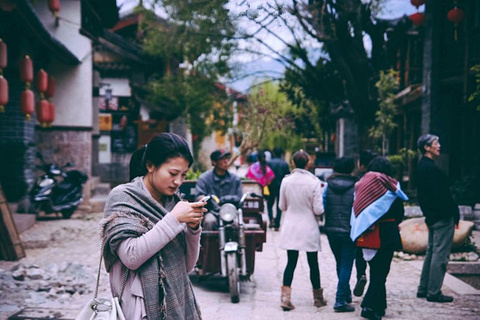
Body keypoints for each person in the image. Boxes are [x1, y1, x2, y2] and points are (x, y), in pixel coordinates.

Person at [100, 133, 204, 320]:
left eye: (183, 175)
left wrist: (193, 229)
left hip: (177, 302)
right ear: (150, 166)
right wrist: (173, 219)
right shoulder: (123, 198)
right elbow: (131, 256)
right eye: (173, 174)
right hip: (141, 308)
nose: (178, 182)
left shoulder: (174, 202)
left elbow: (186, 266)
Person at [350, 157, 408, 320]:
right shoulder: (391, 188)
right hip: (386, 233)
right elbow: (399, 214)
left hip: (367, 234)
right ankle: (368, 307)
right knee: (381, 272)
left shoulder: (361, 187)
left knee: (376, 269)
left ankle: (380, 305)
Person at [277, 150, 326, 311]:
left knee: (291, 262)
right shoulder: (314, 182)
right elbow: (318, 210)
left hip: (291, 226)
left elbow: (282, 206)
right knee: (313, 263)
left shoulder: (286, 181)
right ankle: (318, 298)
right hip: (309, 227)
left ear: (293, 163)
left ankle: (285, 298)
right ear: (307, 164)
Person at [416, 134, 459, 303]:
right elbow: (440, 195)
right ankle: (433, 291)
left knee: (431, 253)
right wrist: (450, 213)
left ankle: (424, 288)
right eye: (436, 143)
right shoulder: (431, 168)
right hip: (441, 216)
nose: (439, 146)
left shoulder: (421, 166)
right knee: (440, 255)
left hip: (432, 216)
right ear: (427, 147)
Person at [323, 157, 358, 313]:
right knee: (346, 265)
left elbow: (322, 206)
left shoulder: (327, 186)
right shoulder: (357, 187)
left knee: (340, 262)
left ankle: (346, 292)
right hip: (349, 231)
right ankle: (340, 300)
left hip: (331, 230)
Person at [195, 149, 243, 230]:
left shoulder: (235, 179)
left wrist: (223, 200)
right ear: (214, 162)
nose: (226, 161)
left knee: (239, 224)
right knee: (209, 221)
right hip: (212, 212)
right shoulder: (204, 179)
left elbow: (239, 197)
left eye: (227, 158)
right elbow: (199, 197)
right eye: (222, 159)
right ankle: (208, 243)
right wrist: (206, 199)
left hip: (231, 213)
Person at [353, 149, 379, 297]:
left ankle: (361, 275)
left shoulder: (360, 181)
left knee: (359, 252)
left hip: (361, 226)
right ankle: (374, 283)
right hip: (378, 225)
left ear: (362, 164)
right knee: (376, 256)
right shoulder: (383, 180)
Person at [266, 147, 290, 230]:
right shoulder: (284, 163)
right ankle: (277, 224)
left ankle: (271, 219)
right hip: (281, 186)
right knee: (279, 206)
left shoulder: (269, 163)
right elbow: (287, 175)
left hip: (270, 186)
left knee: (269, 204)